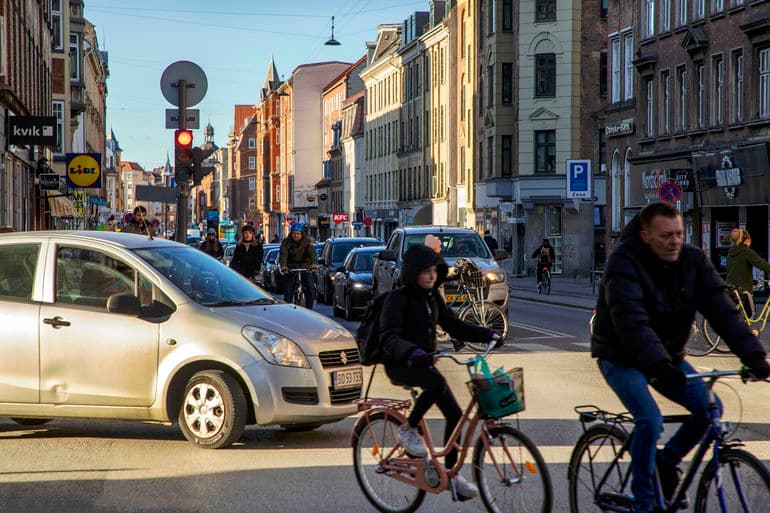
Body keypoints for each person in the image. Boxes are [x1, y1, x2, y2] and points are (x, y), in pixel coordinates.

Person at [591, 202, 769, 513]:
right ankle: (643, 503)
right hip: (620, 356)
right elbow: (632, 322)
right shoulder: (624, 262)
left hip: (667, 356)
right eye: (666, 235)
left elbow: (722, 312)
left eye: (678, 234)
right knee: (649, 419)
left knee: (708, 409)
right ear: (646, 236)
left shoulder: (693, 261)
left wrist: (755, 357)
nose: (674, 241)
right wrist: (660, 366)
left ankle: (666, 461)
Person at [381, 244, 501, 500]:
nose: (431, 276)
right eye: (425, 272)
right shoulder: (397, 299)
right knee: (435, 383)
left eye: (434, 271)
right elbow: (388, 338)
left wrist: (487, 333)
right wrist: (410, 351)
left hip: (425, 363)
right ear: (412, 272)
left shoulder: (433, 296)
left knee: (456, 415)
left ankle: (452, 475)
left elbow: (454, 326)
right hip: (401, 364)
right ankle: (407, 430)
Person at [726, 228, 770, 319]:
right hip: (744, 291)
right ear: (746, 240)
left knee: (738, 317)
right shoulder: (747, 252)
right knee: (751, 316)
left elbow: (735, 270)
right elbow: (762, 265)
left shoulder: (730, 253)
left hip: (730, 288)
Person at [279, 223, 318, 308]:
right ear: (291, 233)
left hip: (305, 267)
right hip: (291, 268)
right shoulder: (286, 242)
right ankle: (288, 308)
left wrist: (314, 265)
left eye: (298, 234)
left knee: (310, 288)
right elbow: (283, 255)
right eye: (294, 233)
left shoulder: (307, 242)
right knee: (288, 291)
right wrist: (284, 267)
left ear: (302, 234)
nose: (296, 236)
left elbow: (312, 254)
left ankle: (309, 308)